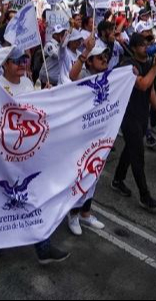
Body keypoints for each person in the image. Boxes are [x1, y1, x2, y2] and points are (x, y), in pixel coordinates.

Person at [0, 48, 70, 265]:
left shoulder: (28, 83)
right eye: (16, 61)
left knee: (34, 199)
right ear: (5, 64)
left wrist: (46, 96)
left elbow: (36, 113)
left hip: (26, 157)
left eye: (24, 59)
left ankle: (43, 248)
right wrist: (5, 107)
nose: (22, 64)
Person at [111, 33, 156, 212]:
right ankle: (145, 196)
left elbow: (150, 91)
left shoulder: (147, 64)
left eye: (148, 43)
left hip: (142, 115)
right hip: (128, 116)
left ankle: (117, 180)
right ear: (134, 48)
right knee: (138, 156)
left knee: (130, 149)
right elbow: (142, 84)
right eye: (142, 44)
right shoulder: (129, 65)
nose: (146, 47)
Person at [67, 37, 109, 233]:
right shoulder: (83, 74)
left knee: (94, 175)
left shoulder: (109, 76)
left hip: (99, 134)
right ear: (90, 61)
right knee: (80, 175)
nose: (104, 60)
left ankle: (85, 213)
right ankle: (73, 215)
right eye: (99, 57)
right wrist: (85, 53)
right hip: (80, 135)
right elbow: (71, 75)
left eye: (105, 56)